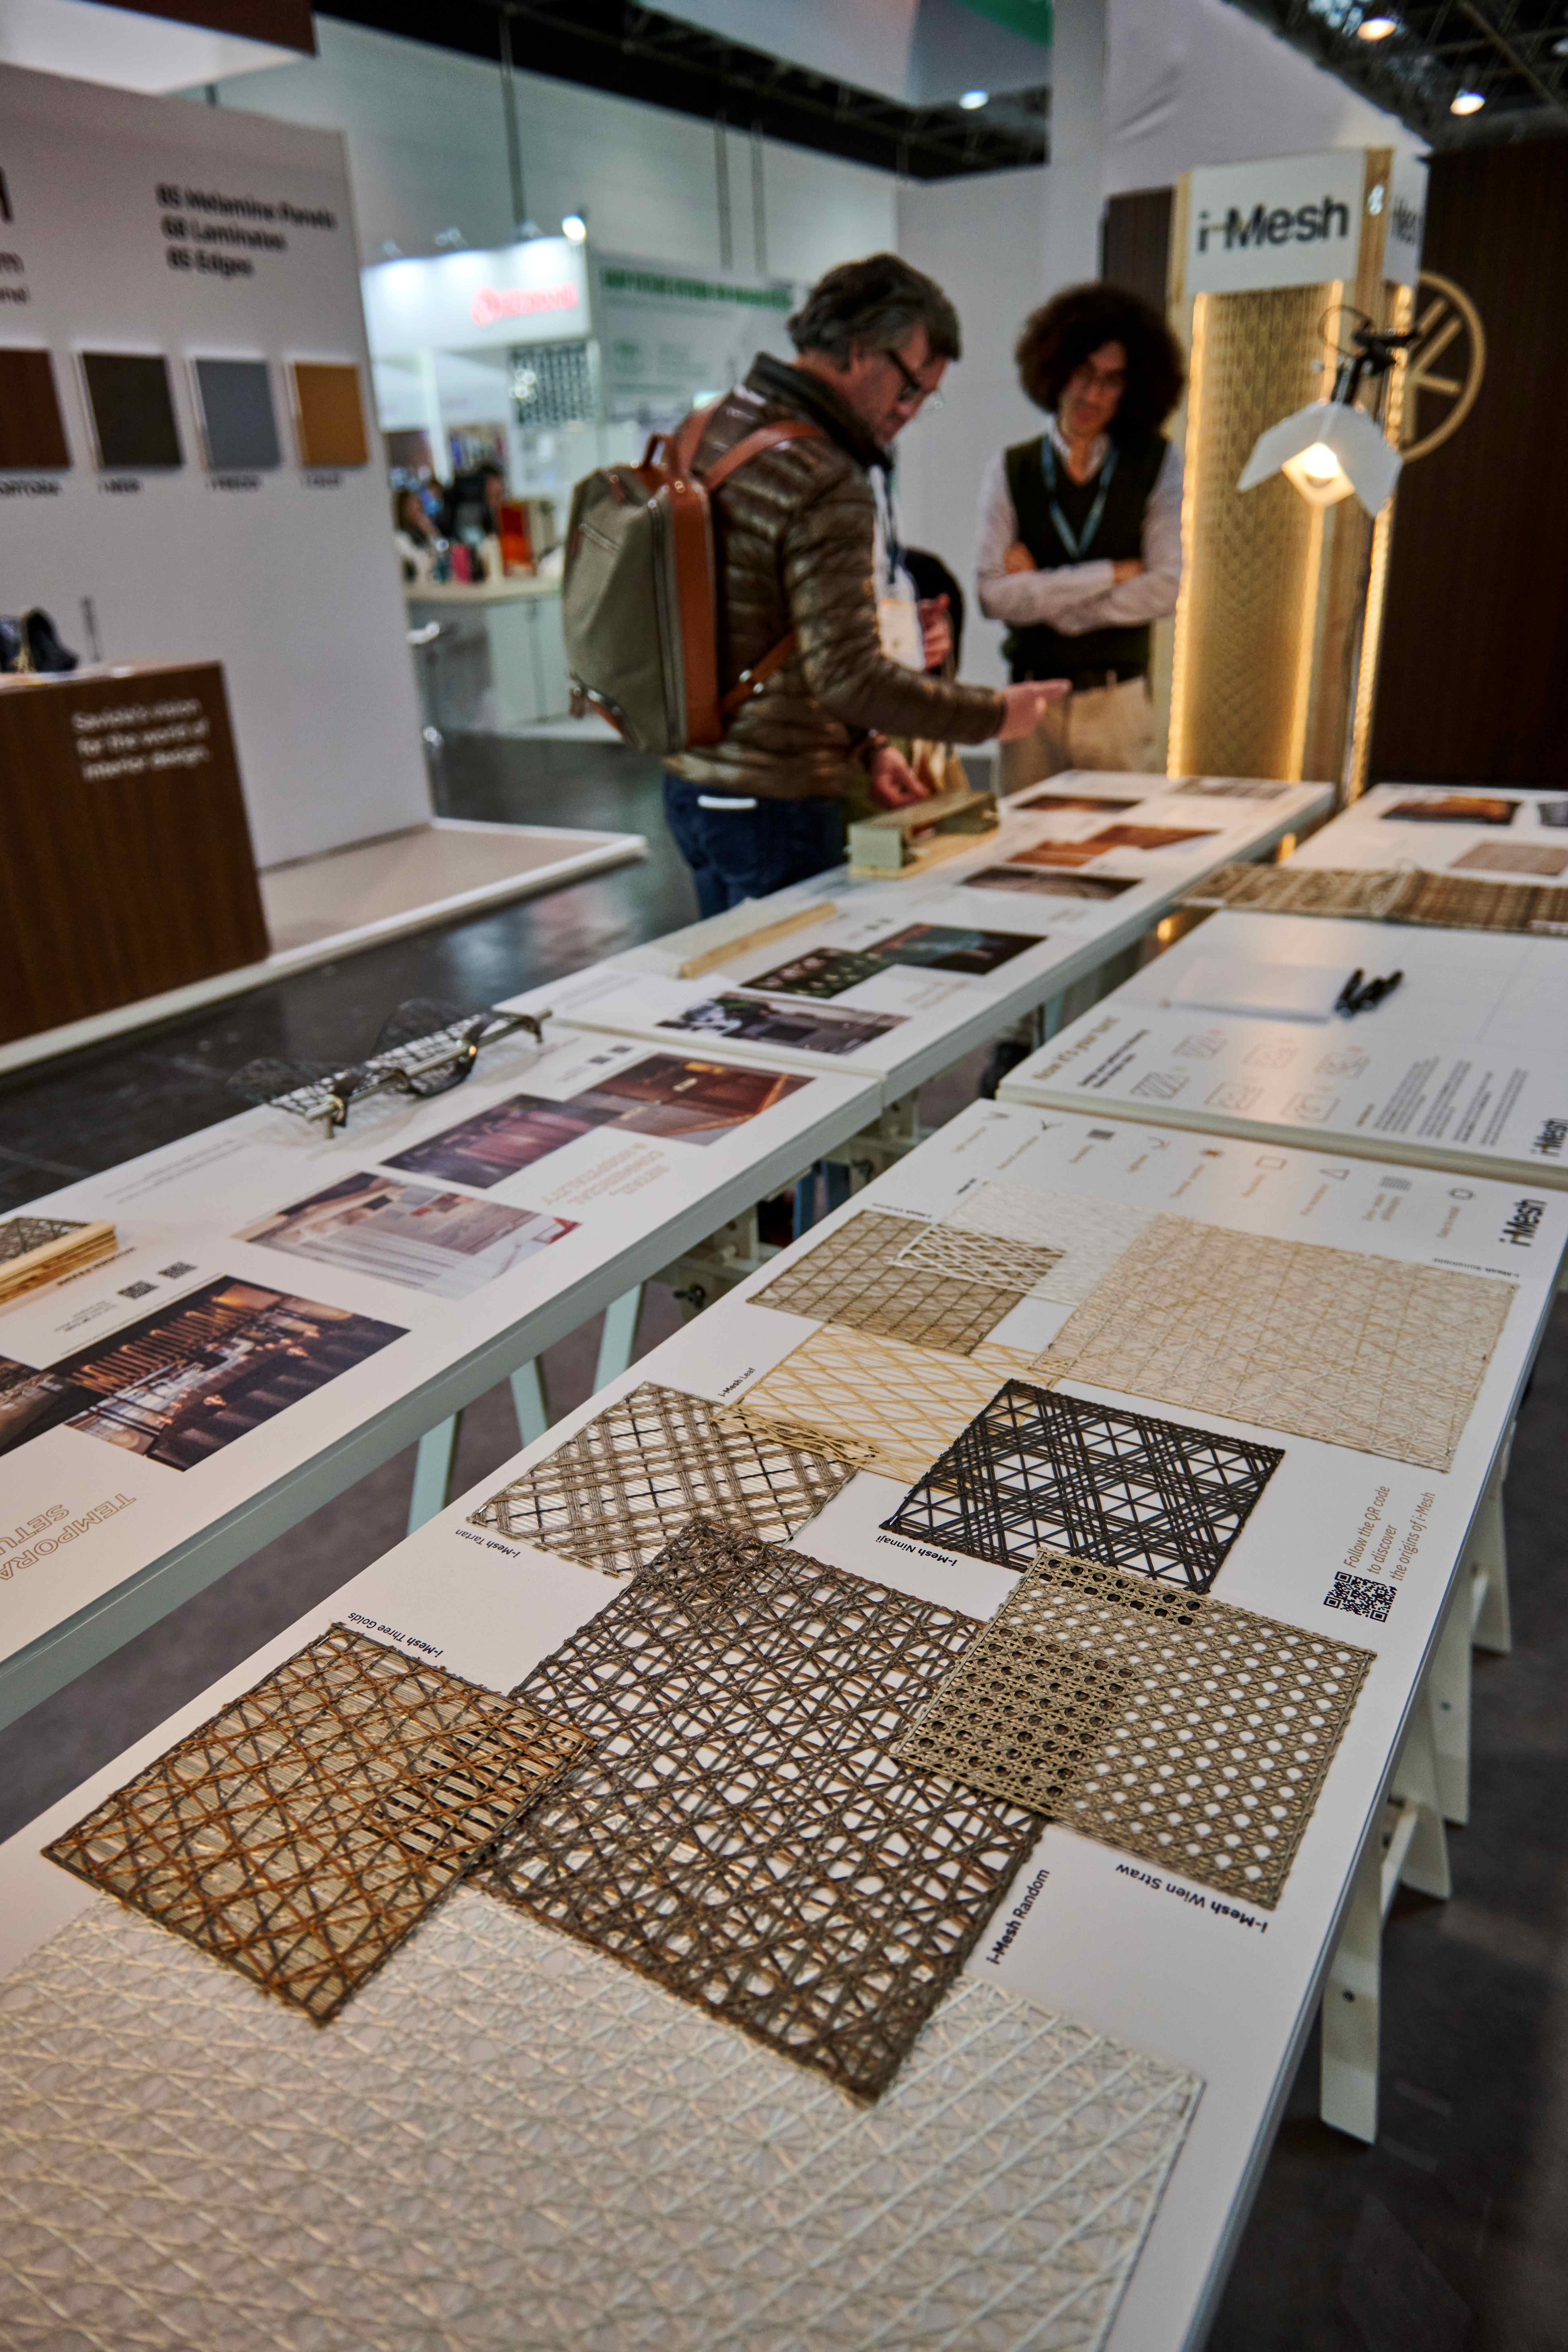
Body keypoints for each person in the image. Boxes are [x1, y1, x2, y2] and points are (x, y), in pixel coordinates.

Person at [662, 253, 1065, 917]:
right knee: (799, 1011)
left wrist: (869, 748)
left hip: (692, 787)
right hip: (779, 803)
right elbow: (846, 676)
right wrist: (992, 714)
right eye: (909, 387)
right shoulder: (823, 473)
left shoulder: (707, 429)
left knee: (734, 1001)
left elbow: (772, 633)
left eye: (925, 398)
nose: (909, 412)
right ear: (856, 352)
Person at [975, 284, 1186, 787]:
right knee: (1022, 856)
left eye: (1112, 382)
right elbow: (991, 596)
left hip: (1116, 702)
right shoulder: (1011, 468)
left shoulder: (1154, 464)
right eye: (1084, 374)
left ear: (1131, 390)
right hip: (1030, 705)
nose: (1093, 395)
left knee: (1123, 850)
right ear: (1056, 369)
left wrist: (1049, 598)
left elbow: (1164, 588)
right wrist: (1109, 574)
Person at [392, 486, 440, 582]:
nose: (418, 508)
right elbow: (417, 563)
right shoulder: (399, 538)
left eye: (419, 505)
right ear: (403, 509)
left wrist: (431, 533)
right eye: (413, 505)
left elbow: (440, 555)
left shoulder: (421, 534)